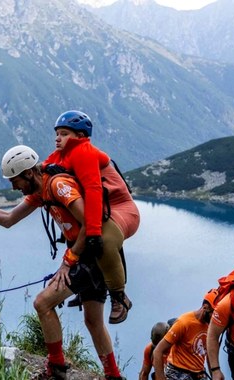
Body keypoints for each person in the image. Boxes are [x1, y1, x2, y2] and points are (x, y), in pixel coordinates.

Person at [0, 145, 126, 380]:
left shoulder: (58, 186)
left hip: (90, 254)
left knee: (43, 303)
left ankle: (56, 368)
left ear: (28, 173)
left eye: (15, 180)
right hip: (86, 254)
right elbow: (9, 219)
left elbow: (90, 223)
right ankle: (113, 376)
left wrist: (69, 260)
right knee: (93, 321)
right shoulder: (40, 192)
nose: (13, 186)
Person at [43, 110, 140, 324]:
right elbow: (43, 170)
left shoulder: (83, 152)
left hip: (122, 210)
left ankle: (119, 296)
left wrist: (94, 232)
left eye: (64, 133)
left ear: (80, 136)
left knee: (102, 242)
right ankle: (87, 285)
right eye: (57, 133)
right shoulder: (60, 154)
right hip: (104, 209)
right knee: (87, 237)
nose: (58, 138)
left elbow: (94, 190)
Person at [152, 291, 216, 380]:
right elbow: (158, 351)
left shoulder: (212, 326)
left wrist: (215, 374)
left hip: (199, 373)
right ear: (205, 308)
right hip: (178, 373)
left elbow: (210, 354)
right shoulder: (184, 322)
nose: (216, 317)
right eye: (214, 314)